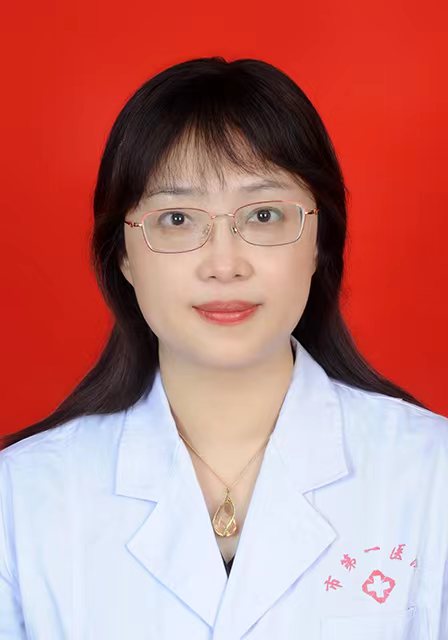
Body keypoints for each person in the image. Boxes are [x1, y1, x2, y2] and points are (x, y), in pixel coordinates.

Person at [0, 56, 446, 639]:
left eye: (263, 214)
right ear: (123, 256)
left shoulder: (432, 476)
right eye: (177, 219)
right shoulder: (20, 498)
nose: (224, 264)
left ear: (320, 242)